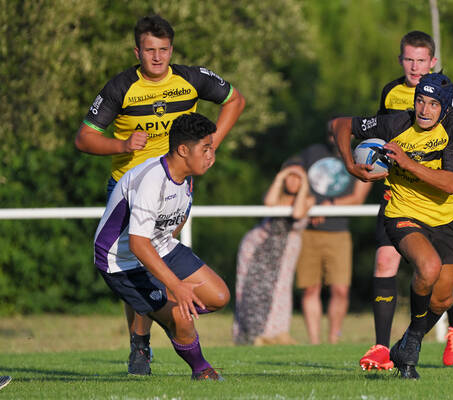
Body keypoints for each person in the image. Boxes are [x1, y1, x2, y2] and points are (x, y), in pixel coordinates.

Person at [74, 15, 245, 375]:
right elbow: (83, 138)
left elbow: (235, 101)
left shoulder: (191, 78)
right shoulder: (121, 87)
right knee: (141, 258)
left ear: (172, 50)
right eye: (149, 50)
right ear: (137, 51)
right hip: (131, 186)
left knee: (162, 256)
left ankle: (164, 313)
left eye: (163, 50)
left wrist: (208, 147)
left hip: (180, 180)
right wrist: (121, 143)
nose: (156, 57)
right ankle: (141, 344)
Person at [330, 72, 453, 379]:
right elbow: (340, 124)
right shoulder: (395, 123)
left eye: (433, 104)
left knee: (443, 298)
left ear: (444, 109)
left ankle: (409, 340)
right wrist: (350, 165)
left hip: (443, 219)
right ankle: (410, 351)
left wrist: (407, 163)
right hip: (402, 212)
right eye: (420, 100)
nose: (424, 109)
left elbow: (451, 183)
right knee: (428, 267)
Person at [359, 31, 453, 371]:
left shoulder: (446, 97)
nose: (414, 66)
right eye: (408, 59)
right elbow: (381, 138)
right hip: (398, 195)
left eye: (420, 60)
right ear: (400, 60)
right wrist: (371, 168)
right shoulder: (391, 93)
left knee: (439, 285)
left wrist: (424, 160)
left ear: (432, 62)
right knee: (387, 262)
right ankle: (381, 347)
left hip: (435, 200)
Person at [94, 112, 229, 381]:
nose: (211, 155)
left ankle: (167, 317)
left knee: (219, 296)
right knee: (182, 317)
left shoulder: (186, 178)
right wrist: (175, 286)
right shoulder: (151, 179)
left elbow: (174, 222)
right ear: (182, 150)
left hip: (160, 248)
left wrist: (168, 279)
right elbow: (137, 243)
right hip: (121, 261)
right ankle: (201, 370)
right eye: (205, 148)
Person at [296, 132, 373, 344]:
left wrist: (326, 207)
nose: (335, 137)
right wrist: (307, 203)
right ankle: (314, 341)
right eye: (332, 132)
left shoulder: (361, 156)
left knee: (340, 289)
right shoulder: (312, 153)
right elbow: (292, 176)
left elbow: (358, 198)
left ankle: (333, 339)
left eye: (341, 132)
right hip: (308, 232)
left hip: (339, 232)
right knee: (310, 288)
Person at [233, 159, 315, 345]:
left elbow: (297, 213)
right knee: (249, 289)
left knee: (280, 289)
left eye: (298, 177)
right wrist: (280, 177)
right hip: (258, 245)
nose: (293, 181)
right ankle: (250, 333)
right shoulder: (274, 195)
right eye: (289, 177)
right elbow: (269, 203)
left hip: (286, 248)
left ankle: (276, 332)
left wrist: (304, 184)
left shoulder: (308, 198)